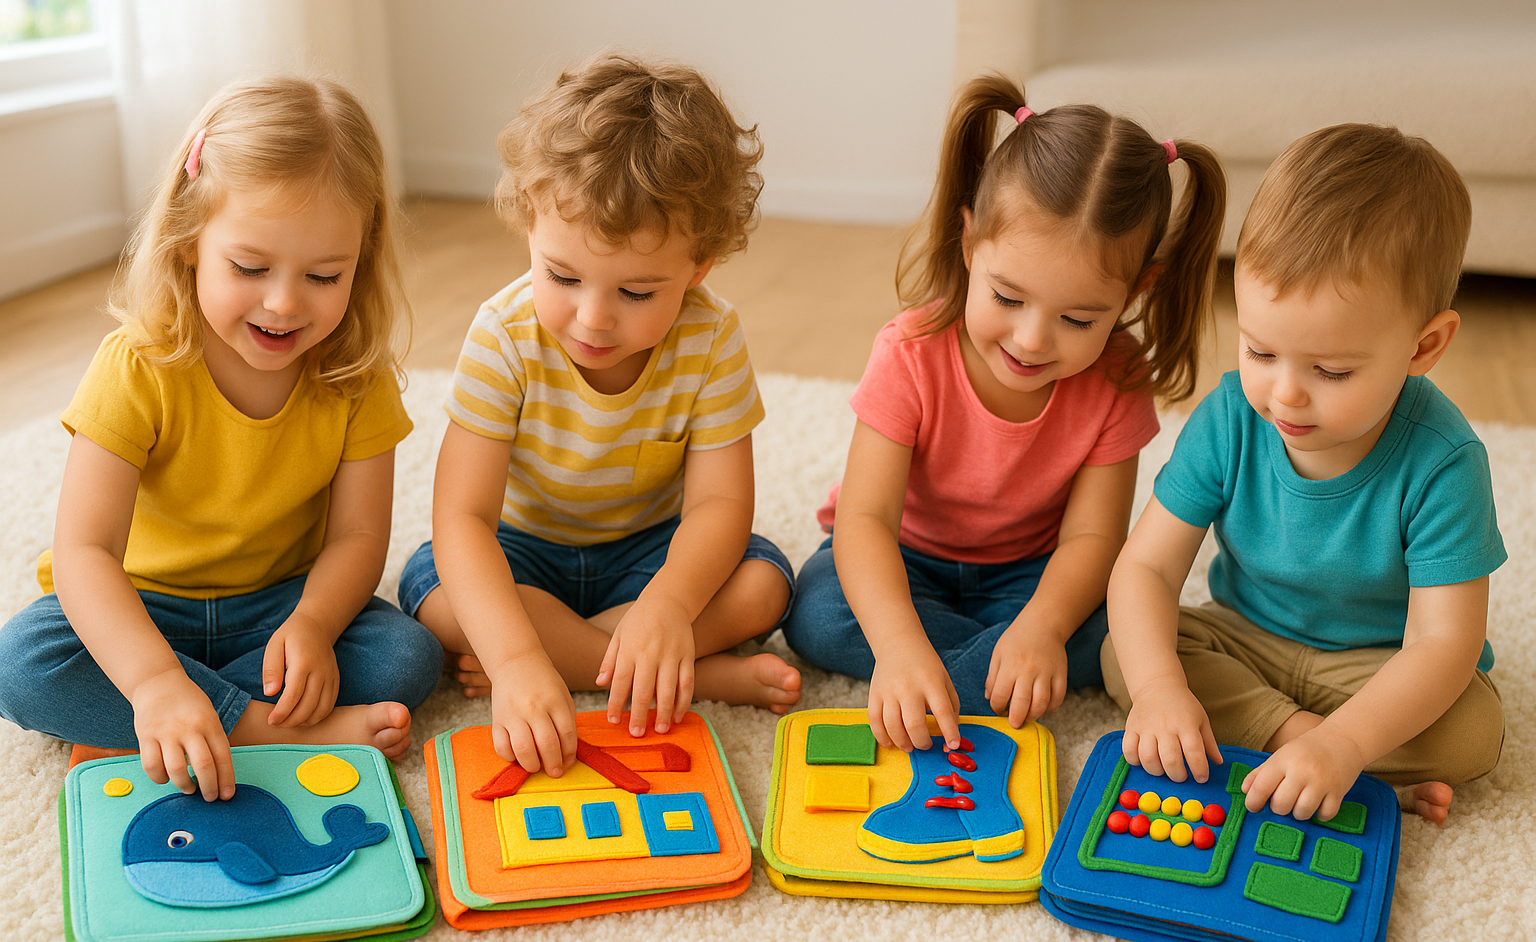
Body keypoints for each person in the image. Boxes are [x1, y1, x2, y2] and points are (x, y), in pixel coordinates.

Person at [0, 76, 443, 802]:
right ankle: (259, 729)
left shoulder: (358, 379)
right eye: (250, 267)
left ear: (360, 263)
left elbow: (359, 538)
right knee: (21, 664)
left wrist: (313, 623)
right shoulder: (138, 366)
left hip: (278, 606)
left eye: (324, 275)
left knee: (404, 656)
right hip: (144, 602)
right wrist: (151, 679)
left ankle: (154, 725)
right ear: (187, 244)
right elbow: (85, 551)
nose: (284, 302)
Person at [781, 74, 1226, 754]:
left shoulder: (1116, 378)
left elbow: (1092, 542)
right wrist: (900, 645)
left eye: (1078, 318)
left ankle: (972, 674)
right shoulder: (911, 352)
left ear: (1137, 290)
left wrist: (1043, 628)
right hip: (905, 557)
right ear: (968, 246)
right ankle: (981, 678)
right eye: (1008, 297)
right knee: (815, 612)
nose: (1031, 340)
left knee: (1121, 633)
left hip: (1032, 576)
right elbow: (865, 522)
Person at [399, 53, 799, 777]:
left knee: (764, 586)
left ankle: (600, 657)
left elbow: (720, 504)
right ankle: (684, 675)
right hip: (523, 549)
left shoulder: (711, 336)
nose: (593, 318)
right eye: (562, 276)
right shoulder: (503, 333)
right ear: (529, 225)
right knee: (438, 599)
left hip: (649, 552)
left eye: (638, 292)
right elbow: (461, 519)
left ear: (699, 265)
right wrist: (517, 661)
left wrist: (670, 606)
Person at [1103, 124, 1505, 825]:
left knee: (1472, 728)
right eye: (1260, 351)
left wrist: (1351, 739)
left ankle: (1316, 756)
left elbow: (1443, 644)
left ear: (1425, 345)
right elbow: (1147, 570)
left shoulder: (1443, 461)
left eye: (1331, 370)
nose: (1284, 394)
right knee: (1123, 654)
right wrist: (1163, 688)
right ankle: (1303, 751)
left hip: (1375, 664)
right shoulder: (1230, 417)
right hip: (1243, 637)